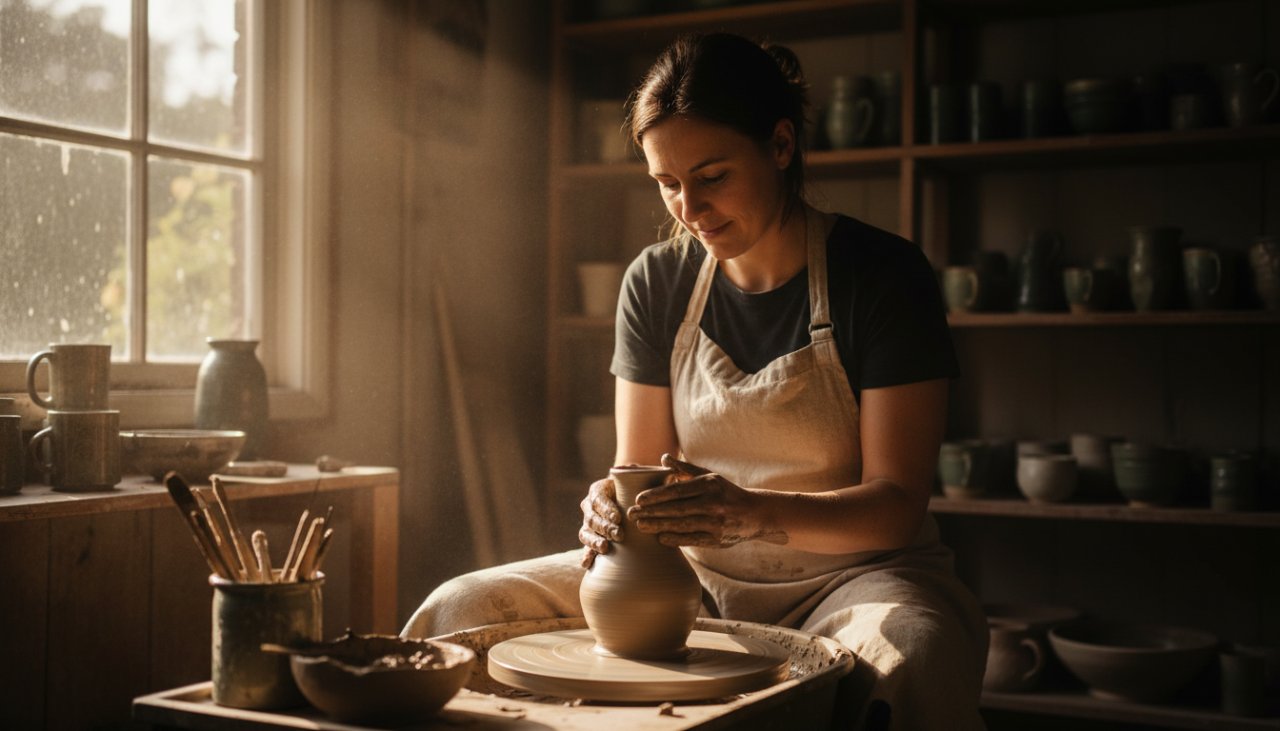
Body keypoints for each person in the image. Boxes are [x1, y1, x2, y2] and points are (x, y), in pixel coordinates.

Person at [403, 32, 988, 730]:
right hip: (689, 578)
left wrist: (753, 512)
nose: (689, 208)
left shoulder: (882, 275)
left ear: (780, 145)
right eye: (667, 183)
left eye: (712, 177)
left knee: (913, 653)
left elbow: (895, 506)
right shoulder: (657, 281)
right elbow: (637, 468)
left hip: (857, 581)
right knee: (459, 606)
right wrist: (610, 505)